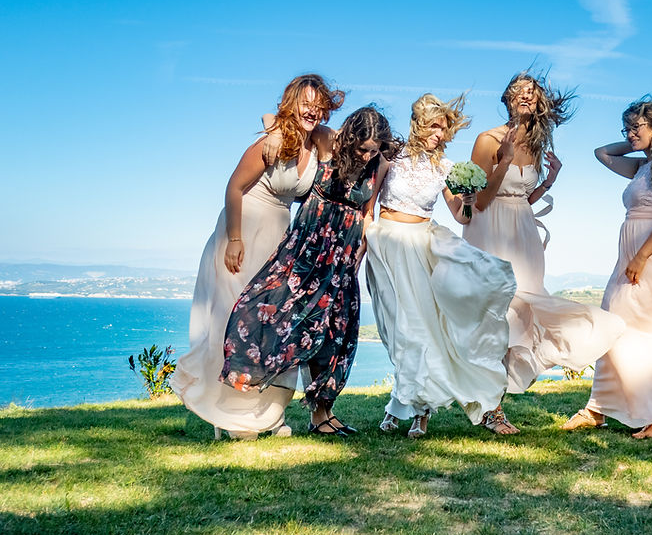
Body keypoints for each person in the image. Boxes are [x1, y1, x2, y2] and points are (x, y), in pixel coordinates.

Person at [170, 74, 344, 440]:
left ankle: (268, 415)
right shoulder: (270, 143)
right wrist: (234, 238)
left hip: (280, 235)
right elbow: (233, 187)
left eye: (318, 105)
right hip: (245, 229)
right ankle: (229, 415)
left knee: (275, 325)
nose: (312, 111)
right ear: (292, 103)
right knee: (237, 320)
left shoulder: (317, 143)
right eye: (305, 103)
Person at [219, 106, 395, 438]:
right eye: (361, 148)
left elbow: (368, 211)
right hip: (307, 247)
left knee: (334, 334)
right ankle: (243, 398)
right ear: (351, 136)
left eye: (373, 149)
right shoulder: (327, 140)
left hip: (344, 253)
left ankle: (322, 415)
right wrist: (272, 134)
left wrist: (363, 246)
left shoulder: (380, 164)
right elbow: (280, 119)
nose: (367, 155)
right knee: (264, 309)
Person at [462, 72, 625, 431]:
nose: (525, 97)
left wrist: (550, 180)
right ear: (506, 98)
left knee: (522, 315)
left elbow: (523, 197)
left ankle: (495, 404)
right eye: (519, 92)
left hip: (524, 233)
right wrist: (502, 161)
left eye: (532, 94)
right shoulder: (486, 139)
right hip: (489, 231)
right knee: (495, 316)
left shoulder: (535, 143)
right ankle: (488, 406)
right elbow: (480, 203)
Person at [364, 93, 516, 438]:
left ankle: (421, 412)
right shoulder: (391, 156)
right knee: (395, 328)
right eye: (435, 127)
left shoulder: (445, 167)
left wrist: (467, 200)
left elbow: (461, 216)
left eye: (444, 129)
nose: (439, 135)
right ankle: (400, 404)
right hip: (386, 244)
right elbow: (369, 205)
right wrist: (364, 241)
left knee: (418, 327)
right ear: (420, 124)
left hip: (420, 245)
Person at [562, 96, 652, 439]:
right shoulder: (642, 165)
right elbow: (602, 153)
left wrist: (641, 257)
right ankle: (600, 408)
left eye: (636, 126)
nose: (629, 132)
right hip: (629, 251)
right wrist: (635, 141)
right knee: (614, 321)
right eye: (625, 127)